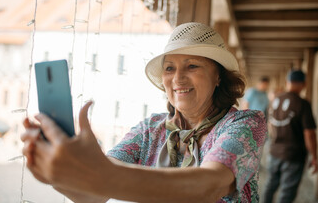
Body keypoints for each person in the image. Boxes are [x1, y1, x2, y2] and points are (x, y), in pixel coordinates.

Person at [21, 22, 267, 202]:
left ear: (218, 77)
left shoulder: (245, 124)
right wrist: (59, 172)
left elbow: (209, 185)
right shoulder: (150, 129)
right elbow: (92, 195)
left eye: (192, 65)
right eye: (169, 68)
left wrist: (101, 176)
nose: (178, 78)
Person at [262, 70, 318, 203]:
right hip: (293, 154)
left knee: (270, 185)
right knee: (287, 191)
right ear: (303, 84)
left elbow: (270, 124)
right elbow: (309, 133)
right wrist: (314, 156)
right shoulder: (302, 104)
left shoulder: (275, 100)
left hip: (274, 150)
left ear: (287, 82)